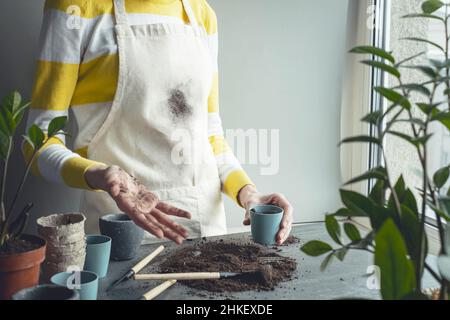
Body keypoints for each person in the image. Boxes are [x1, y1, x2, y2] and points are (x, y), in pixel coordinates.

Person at [25, 0, 293, 245]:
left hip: (208, 234)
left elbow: (209, 136)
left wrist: (248, 193)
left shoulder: (201, 14)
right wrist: (98, 175)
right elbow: (37, 145)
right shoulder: (76, 8)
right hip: (120, 231)